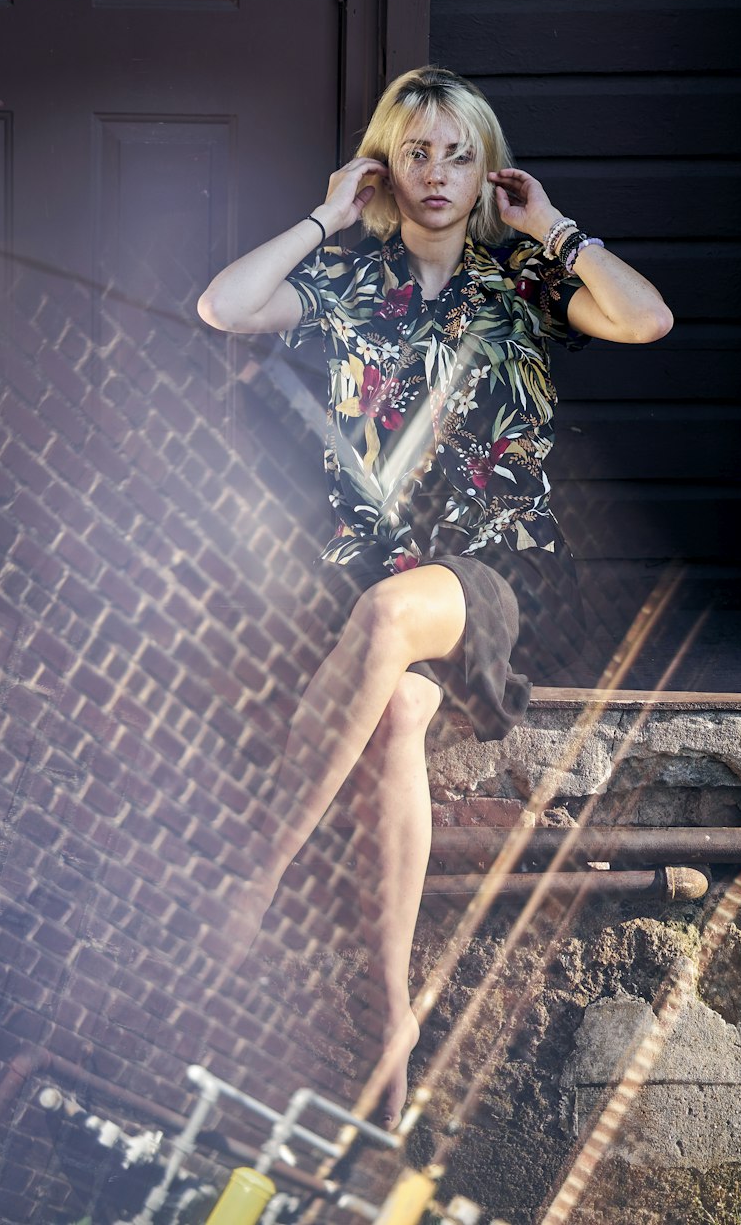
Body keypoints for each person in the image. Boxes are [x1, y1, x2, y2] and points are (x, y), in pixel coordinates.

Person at [197, 66, 672, 1127]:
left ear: (485, 166)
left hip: (498, 573)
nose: (438, 172)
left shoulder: (527, 284)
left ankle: (246, 887)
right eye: (415, 151)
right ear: (386, 163)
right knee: (398, 714)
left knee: (386, 620)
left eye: (458, 152)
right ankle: (390, 1020)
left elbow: (646, 320)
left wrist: (553, 226)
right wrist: (329, 212)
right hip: (377, 576)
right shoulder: (348, 283)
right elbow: (223, 306)